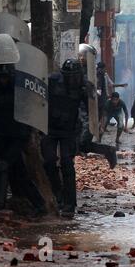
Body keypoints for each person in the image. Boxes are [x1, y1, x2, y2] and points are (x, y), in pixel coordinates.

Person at [0, 64, 46, 215]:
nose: (3, 80)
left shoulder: (19, 93)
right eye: (0, 77)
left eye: (5, 77)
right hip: (1, 136)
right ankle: (40, 205)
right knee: (20, 174)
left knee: (3, 165)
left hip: (17, 137)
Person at [42, 59, 86, 218]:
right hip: (50, 128)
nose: (72, 80)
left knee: (67, 164)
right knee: (48, 161)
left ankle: (69, 204)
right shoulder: (52, 81)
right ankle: (57, 195)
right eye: (70, 76)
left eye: (75, 76)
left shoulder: (83, 87)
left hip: (69, 130)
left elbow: (90, 112)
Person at [78, 45, 117, 169]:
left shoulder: (92, 74)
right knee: (79, 144)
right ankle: (108, 151)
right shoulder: (83, 72)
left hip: (87, 115)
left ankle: (108, 150)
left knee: (82, 144)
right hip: (80, 114)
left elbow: (94, 95)